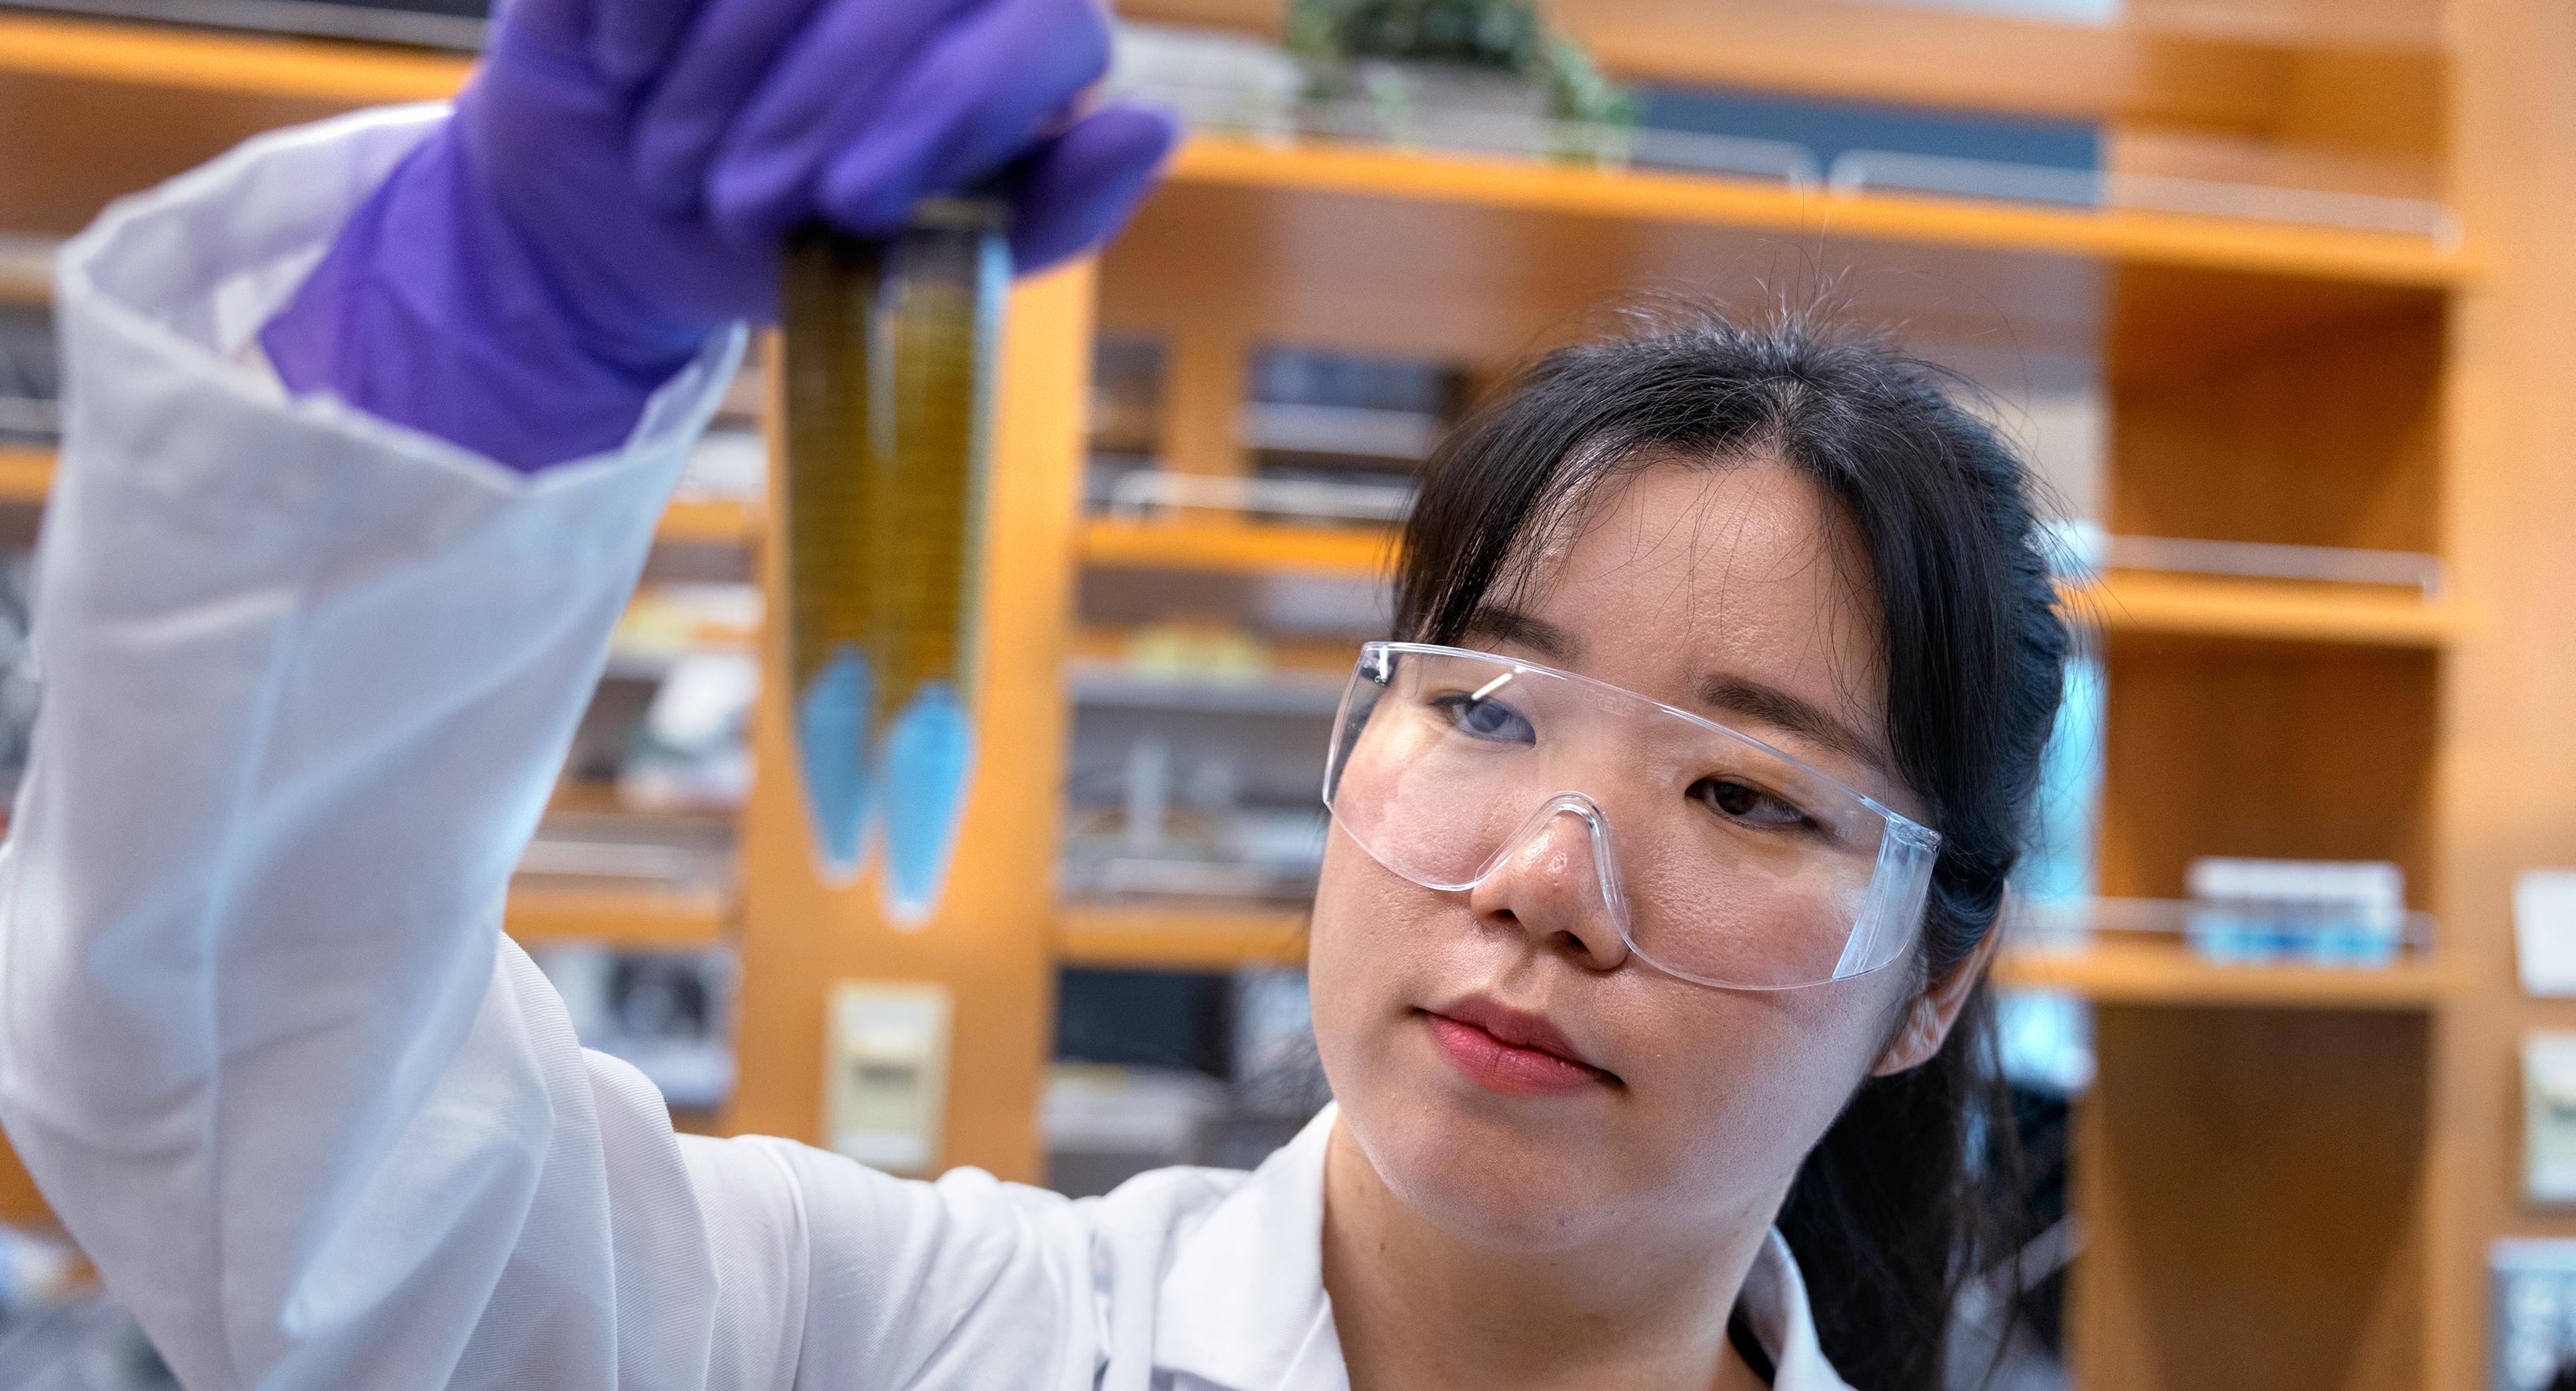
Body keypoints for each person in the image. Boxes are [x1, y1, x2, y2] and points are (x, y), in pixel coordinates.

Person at [0, 0, 2069, 1387]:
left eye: (1748, 799)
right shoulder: (875, 1336)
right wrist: (493, 314)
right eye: (1489, 708)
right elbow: (254, 1109)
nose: (1543, 876)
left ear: (1930, 988)